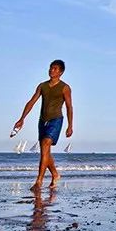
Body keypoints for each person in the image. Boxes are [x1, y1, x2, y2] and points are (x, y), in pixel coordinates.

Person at [12, 59, 73, 191]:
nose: (51, 70)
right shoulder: (42, 86)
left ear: (61, 72)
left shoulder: (65, 87)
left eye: (55, 68)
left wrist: (70, 126)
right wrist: (22, 119)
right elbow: (31, 102)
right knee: (45, 151)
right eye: (51, 68)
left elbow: (69, 107)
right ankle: (55, 174)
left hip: (56, 120)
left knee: (45, 145)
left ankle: (39, 181)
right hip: (42, 121)